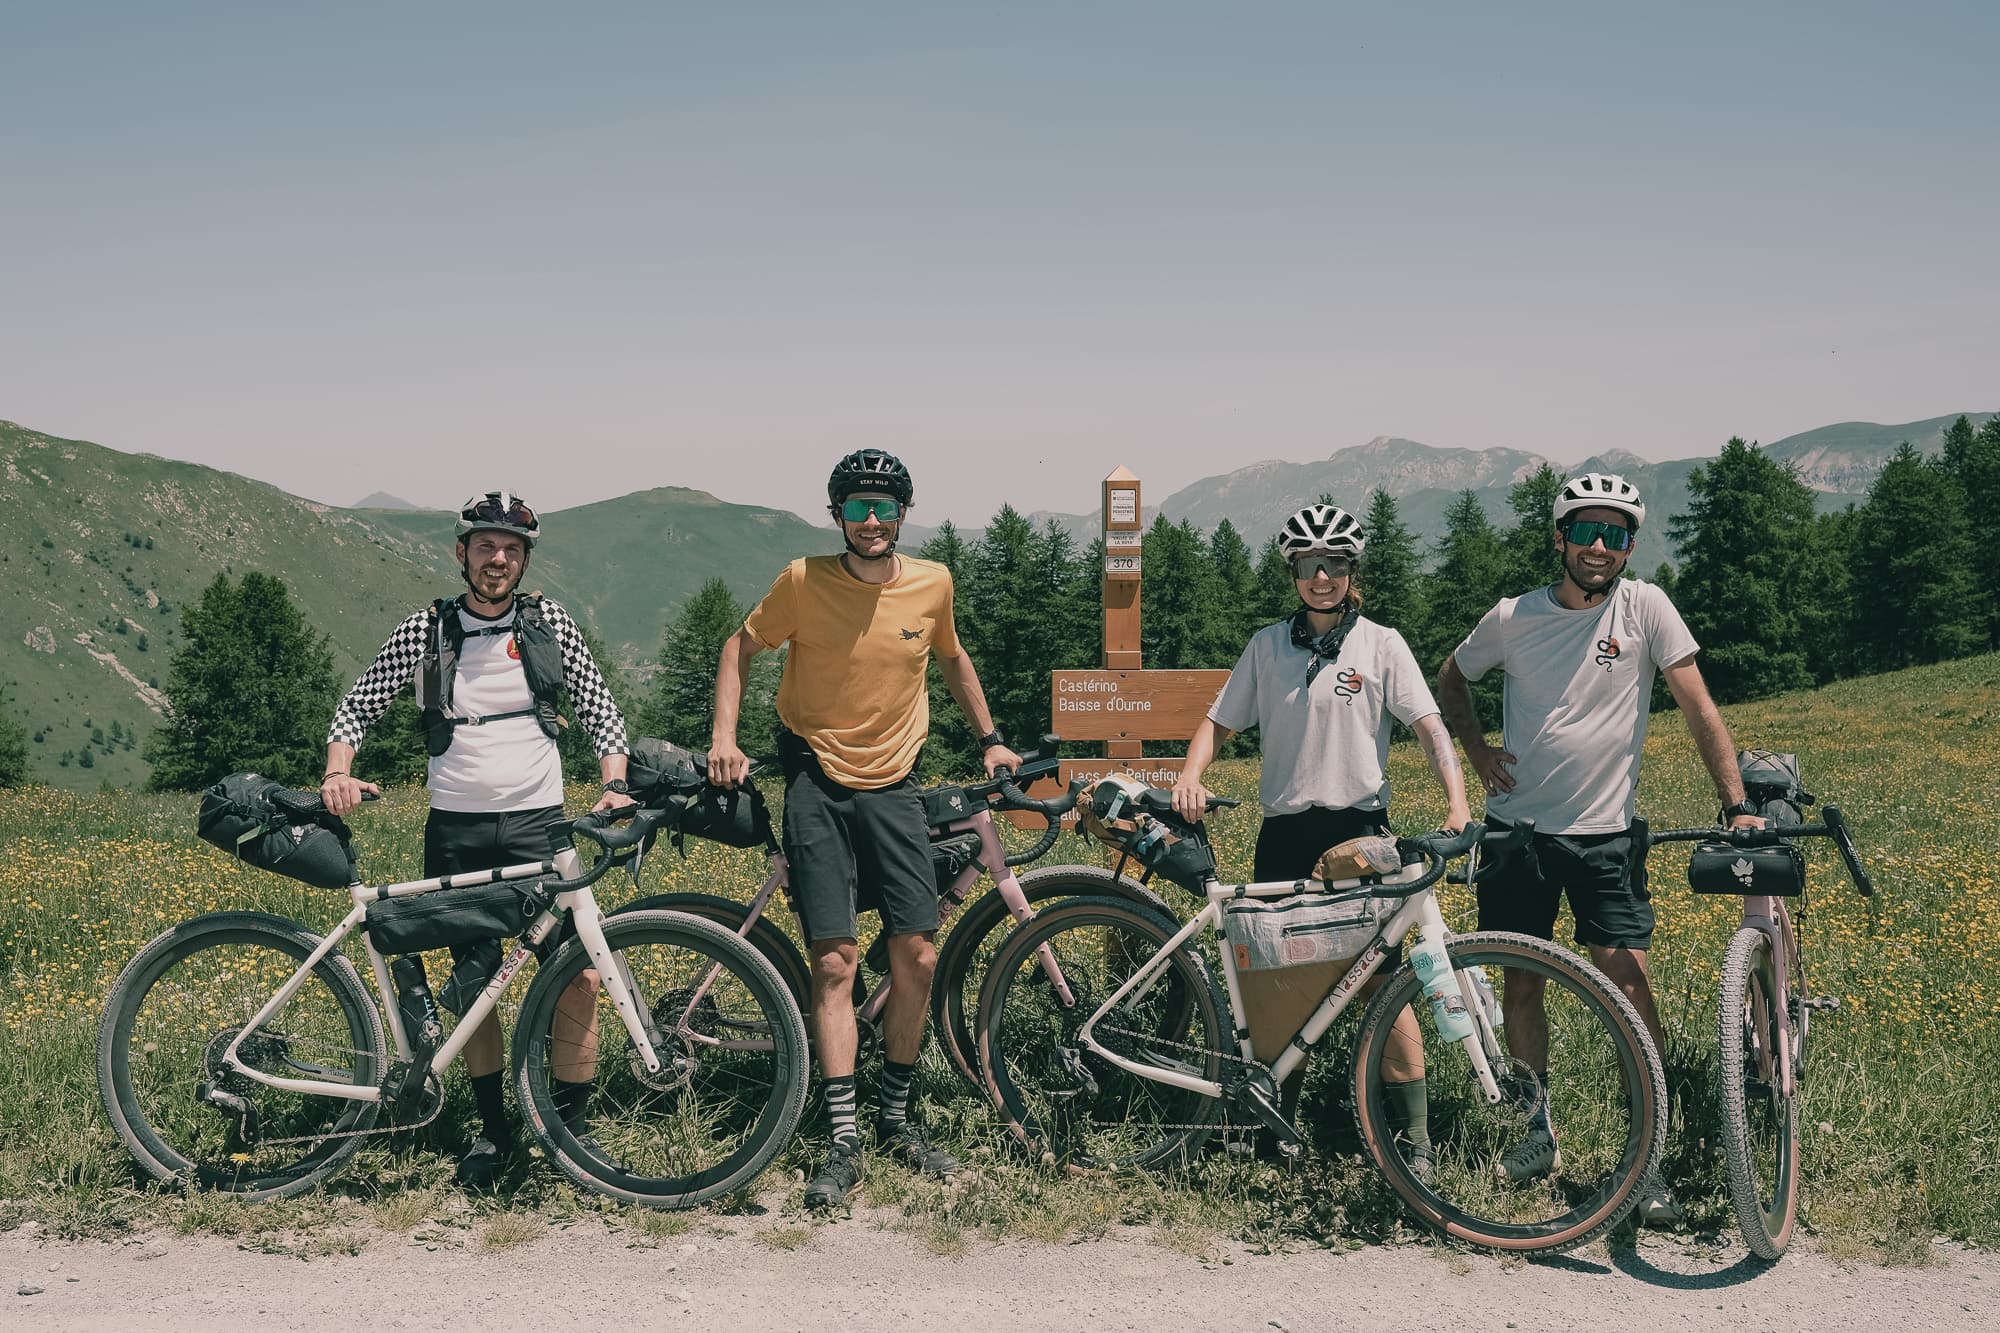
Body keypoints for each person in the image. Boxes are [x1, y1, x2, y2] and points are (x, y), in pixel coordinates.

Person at [1436, 471, 1762, 1225]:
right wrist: (1480, 751)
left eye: (1615, 534)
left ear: (1629, 546)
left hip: (1606, 835)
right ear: (1560, 537)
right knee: (1521, 984)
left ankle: (1647, 1152)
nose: (1599, 546)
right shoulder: (1513, 617)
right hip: (1518, 834)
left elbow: (1698, 705)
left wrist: (1737, 804)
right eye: (1585, 530)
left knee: (1629, 986)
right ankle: (1532, 1129)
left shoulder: (1646, 608)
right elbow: (1453, 679)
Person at [708, 448, 1022, 1210]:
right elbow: (738, 648)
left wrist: (990, 736)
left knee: (916, 952)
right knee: (837, 961)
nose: (871, 519)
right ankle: (844, 1135)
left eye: (883, 506)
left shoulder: (933, 582)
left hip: (896, 783)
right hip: (815, 775)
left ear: (903, 512)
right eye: (856, 506)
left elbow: (952, 657)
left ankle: (895, 1116)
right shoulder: (802, 581)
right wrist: (724, 735)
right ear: (837, 513)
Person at [320, 489, 634, 1189]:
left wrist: (613, 781)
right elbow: (359, 702)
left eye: (512, 549)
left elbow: (599, 705)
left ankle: (569, 1132)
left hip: (538, 821)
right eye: (486, 546)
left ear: (524, 560)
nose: (499, 559)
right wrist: (338, 770)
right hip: (457, 826)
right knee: (476, 986)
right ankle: (492, 1134)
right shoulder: (427, 630)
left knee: (581, 975)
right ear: (461, 553)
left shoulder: (547, 621)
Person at [1174, 502, 1473, 1171]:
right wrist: (1191, 774)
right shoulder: (1265, 646)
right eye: (1309, 565)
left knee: (1382, 984)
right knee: (1283, 986)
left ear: (1350, 571)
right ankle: (1275, 1130)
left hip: (1359, 832)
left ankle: (1415, 1141)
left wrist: (1457, 802)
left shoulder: (1383, 644)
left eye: (1334, 564)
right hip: (1284, 831)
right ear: (1294, 572)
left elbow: (1428, 725)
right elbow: (1217, 723)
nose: (1322, 577)